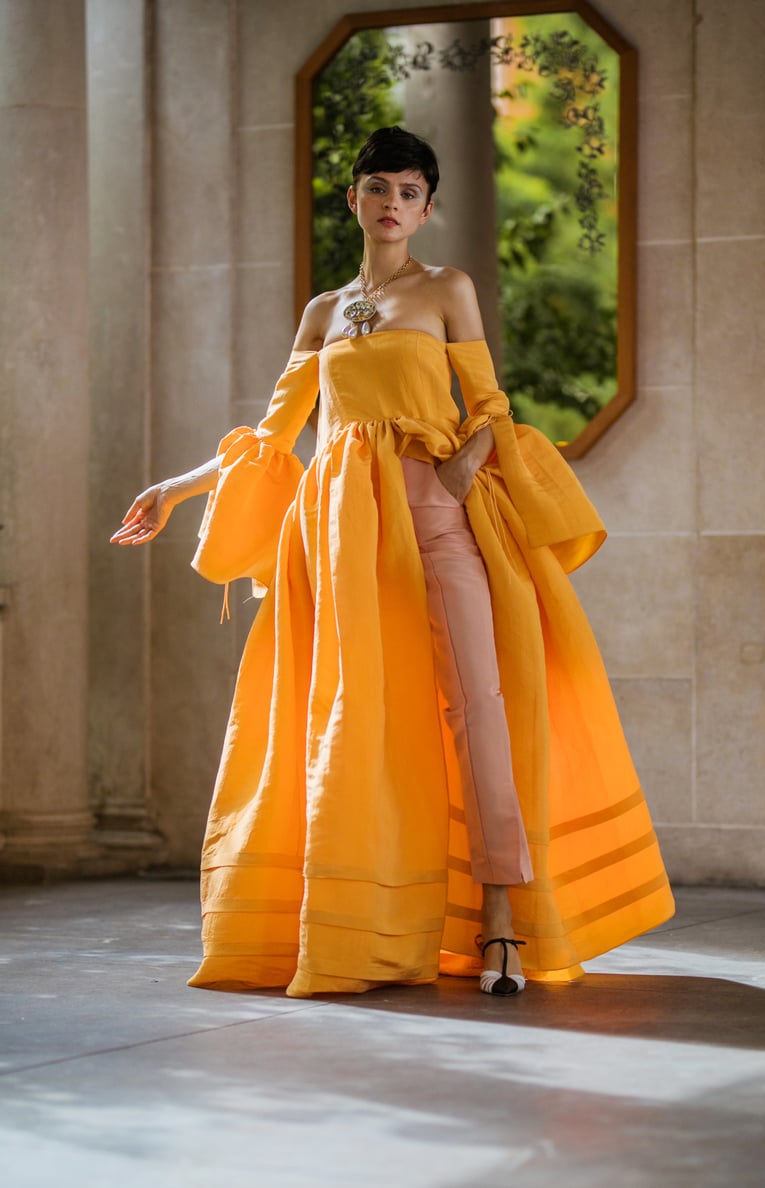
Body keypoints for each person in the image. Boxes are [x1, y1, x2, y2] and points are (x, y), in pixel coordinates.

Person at [112, 126, 674, 999]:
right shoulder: (323, 313)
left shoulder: (448, 289)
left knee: (477, 705)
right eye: (378, 187)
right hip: (338, 535)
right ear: (354, 200)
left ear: (427, 208)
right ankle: (363, 928)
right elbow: (274, 432)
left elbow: (489, 408)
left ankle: (500, 921)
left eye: (409, 192)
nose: (392, 204)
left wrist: (448, 481)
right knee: (354, 719)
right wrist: (176, 488)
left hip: (435, 514)